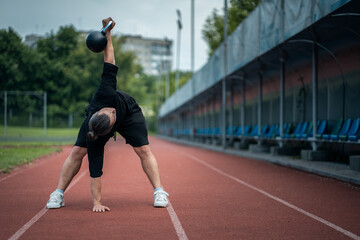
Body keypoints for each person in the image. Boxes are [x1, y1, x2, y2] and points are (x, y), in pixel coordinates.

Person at [46, 17, 169, 212]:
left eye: (111, 111)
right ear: (110, 128)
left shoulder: (106, 92)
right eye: (111, 113)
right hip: (98, 127)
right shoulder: (93, 133)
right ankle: (58, 193)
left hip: (129, 113)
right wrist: (97, 203)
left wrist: (108, 35)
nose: (112, 110)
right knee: (78, 151)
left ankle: (160, 191)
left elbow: (109, 59)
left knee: (144, 150)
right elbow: (95, 173)